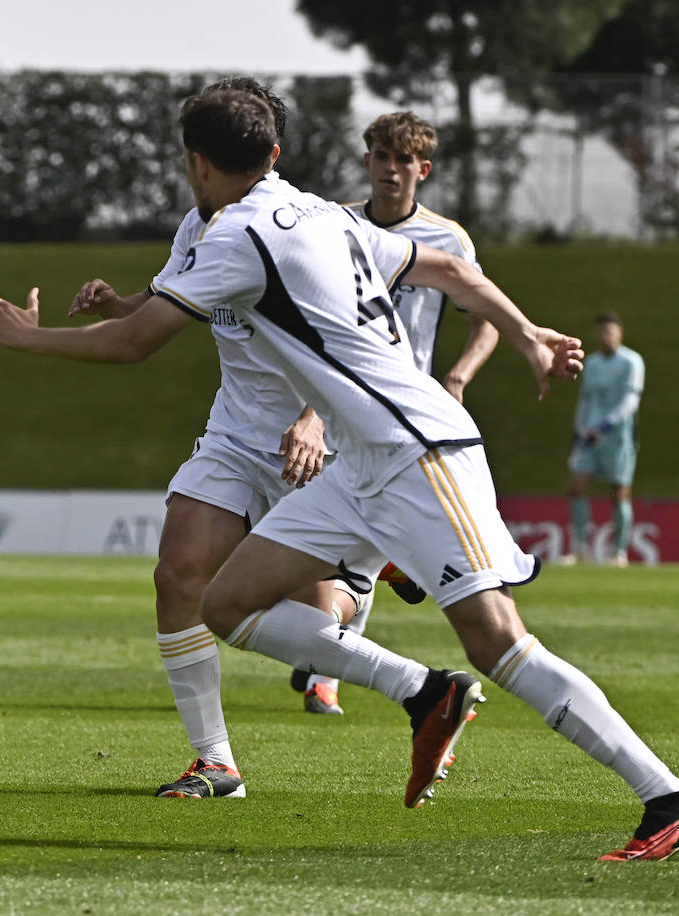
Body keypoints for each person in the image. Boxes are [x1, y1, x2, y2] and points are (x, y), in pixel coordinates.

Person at [0, 89, 679, 861]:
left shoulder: (238, 237)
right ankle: (426, 692)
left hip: (419, 453)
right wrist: (525, 336)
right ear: (274, 154)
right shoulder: (328, 216)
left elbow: (133, 344)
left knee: (499, 643)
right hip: (358, 464)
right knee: (224, 601)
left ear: (195, 162)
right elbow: (450, 270)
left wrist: (23, 338)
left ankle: (670, 798)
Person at [53, 76, 349, 798]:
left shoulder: (304, 226)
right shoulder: (200, 226)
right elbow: (163, 309)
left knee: (324, 609)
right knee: (179, 574)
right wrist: (118, 305)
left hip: (320, 439)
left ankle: (398, 660)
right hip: (235, 435)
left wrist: (315, 415)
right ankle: (216, 761)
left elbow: (348, 343)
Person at [290, 111, 501, 714]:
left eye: (403, 160)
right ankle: (332, 652)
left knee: (361, 541)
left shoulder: (448, 240)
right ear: (367, 162)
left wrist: (457, 377)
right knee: (342, 544)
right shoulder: (335, 227)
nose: (391, 169)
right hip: (336, 406)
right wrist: (311, 410)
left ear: (422, 169)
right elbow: (317, 328)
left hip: (408, 420)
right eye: (381, 156)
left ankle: (328, 655)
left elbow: (482, 318)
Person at [562, 311, 645, 567]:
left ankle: (618, 553)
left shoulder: (632, 362)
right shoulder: (593, 363)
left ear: (619, 333)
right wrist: (579, 430)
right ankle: (580, 549)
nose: (605, 336)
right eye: (601, 331)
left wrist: (606, 425)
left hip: (617, 437)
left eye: (610, 331)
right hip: (588, 436)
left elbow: (631, 399)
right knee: (576, 486)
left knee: (619, 493)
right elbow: (586, 400)